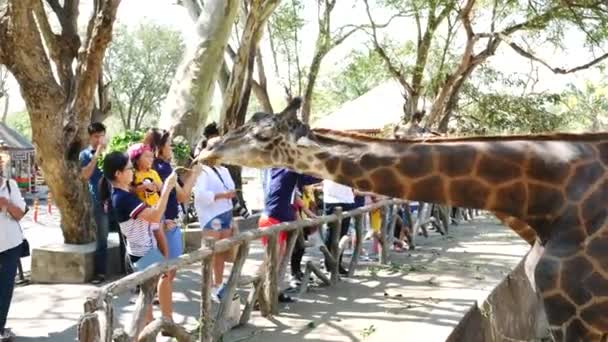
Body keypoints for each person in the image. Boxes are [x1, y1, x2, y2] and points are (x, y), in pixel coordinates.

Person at [99, 151, 175, 336]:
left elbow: (151, 221)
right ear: (118, 173)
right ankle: (150, 333)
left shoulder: (126, 194)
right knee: (147, 304)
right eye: (129, 168)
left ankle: (156, 330)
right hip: (142, 253)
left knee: (148, 299)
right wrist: (166, 189)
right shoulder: (122, 198)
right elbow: (155, 215)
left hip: (143, 250)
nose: (133, 171)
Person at [144, 128, 202, 320]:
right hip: (167, 228)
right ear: (159, 148)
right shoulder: (164, 169)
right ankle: (166, 319)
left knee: (162, 274)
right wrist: (195, 174)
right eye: (168, 144)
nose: (171, 148)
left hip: (161, 226)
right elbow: (182, 195)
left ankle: (156, 314)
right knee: (167, 274)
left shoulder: (154, 169)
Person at [260, 167, 320, 302]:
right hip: (272, 220)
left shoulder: (287, 171)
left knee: (279, 261)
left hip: (281, 220)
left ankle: (274, 291)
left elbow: (310, 178)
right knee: (271, 261)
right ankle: (260, 296)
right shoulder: (285, 169)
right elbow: (312, 176)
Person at [193, 137, 236, 302]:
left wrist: (230, 195)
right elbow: (200, 195)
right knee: (210, 254)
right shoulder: (203, 171)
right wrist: (222, 195)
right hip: (212, 216)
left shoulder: (224, 170)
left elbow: (231, 188)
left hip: (226, 212)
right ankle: (208, 288)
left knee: (221, 253)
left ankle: (218, 285)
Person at [0, 153, 27, 342]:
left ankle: (0, 328)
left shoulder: (10, 185)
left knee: (5, 288)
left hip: (10, 245)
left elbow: (19, 214)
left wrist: (6, 203)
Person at [79, 122, 109, 284]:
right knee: (102, 237)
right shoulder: (85, 155)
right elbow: (85, 175)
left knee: (125, 234)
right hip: (98, 200)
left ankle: (129, 270)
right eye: (96, 136)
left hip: (115, 199)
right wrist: (97, 154)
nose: (99, 139)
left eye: (101, 135)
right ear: (90, 137)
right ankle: (100, 273)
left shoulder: (111, 151)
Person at [322, 179, 355, 275]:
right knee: (331, 233)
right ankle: (328, 263)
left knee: (342, 235)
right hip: (332, 200)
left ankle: (337, 264)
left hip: (347, 199)